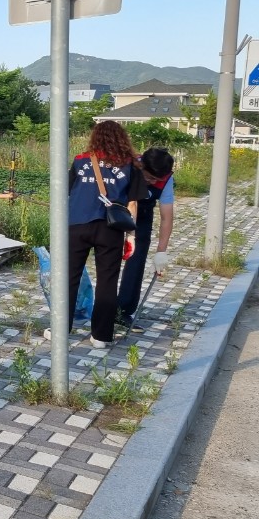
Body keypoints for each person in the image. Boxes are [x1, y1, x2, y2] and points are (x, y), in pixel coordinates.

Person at [56, 120, 148, 348]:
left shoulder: (80, 161)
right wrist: (131, 236)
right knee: (107, 280)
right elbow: (133, 204)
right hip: (111, 229)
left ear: (94, 137)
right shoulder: (130, 165)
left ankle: (60, 330)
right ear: (122, 139)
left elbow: (66, 192)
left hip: (77, 224)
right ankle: (101, 335)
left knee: (68, 278)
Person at [116, 147, 175, 331]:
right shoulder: (127, 167)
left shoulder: (165, 179)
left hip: (142, 217)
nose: (151, 182)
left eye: (156, 180)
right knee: (109, 261)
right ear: (141, 165)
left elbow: (167, 216)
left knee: (136, 260)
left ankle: (123, 311)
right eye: (148, 177)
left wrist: (161, 252)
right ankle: (104, 309)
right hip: (115, 213)